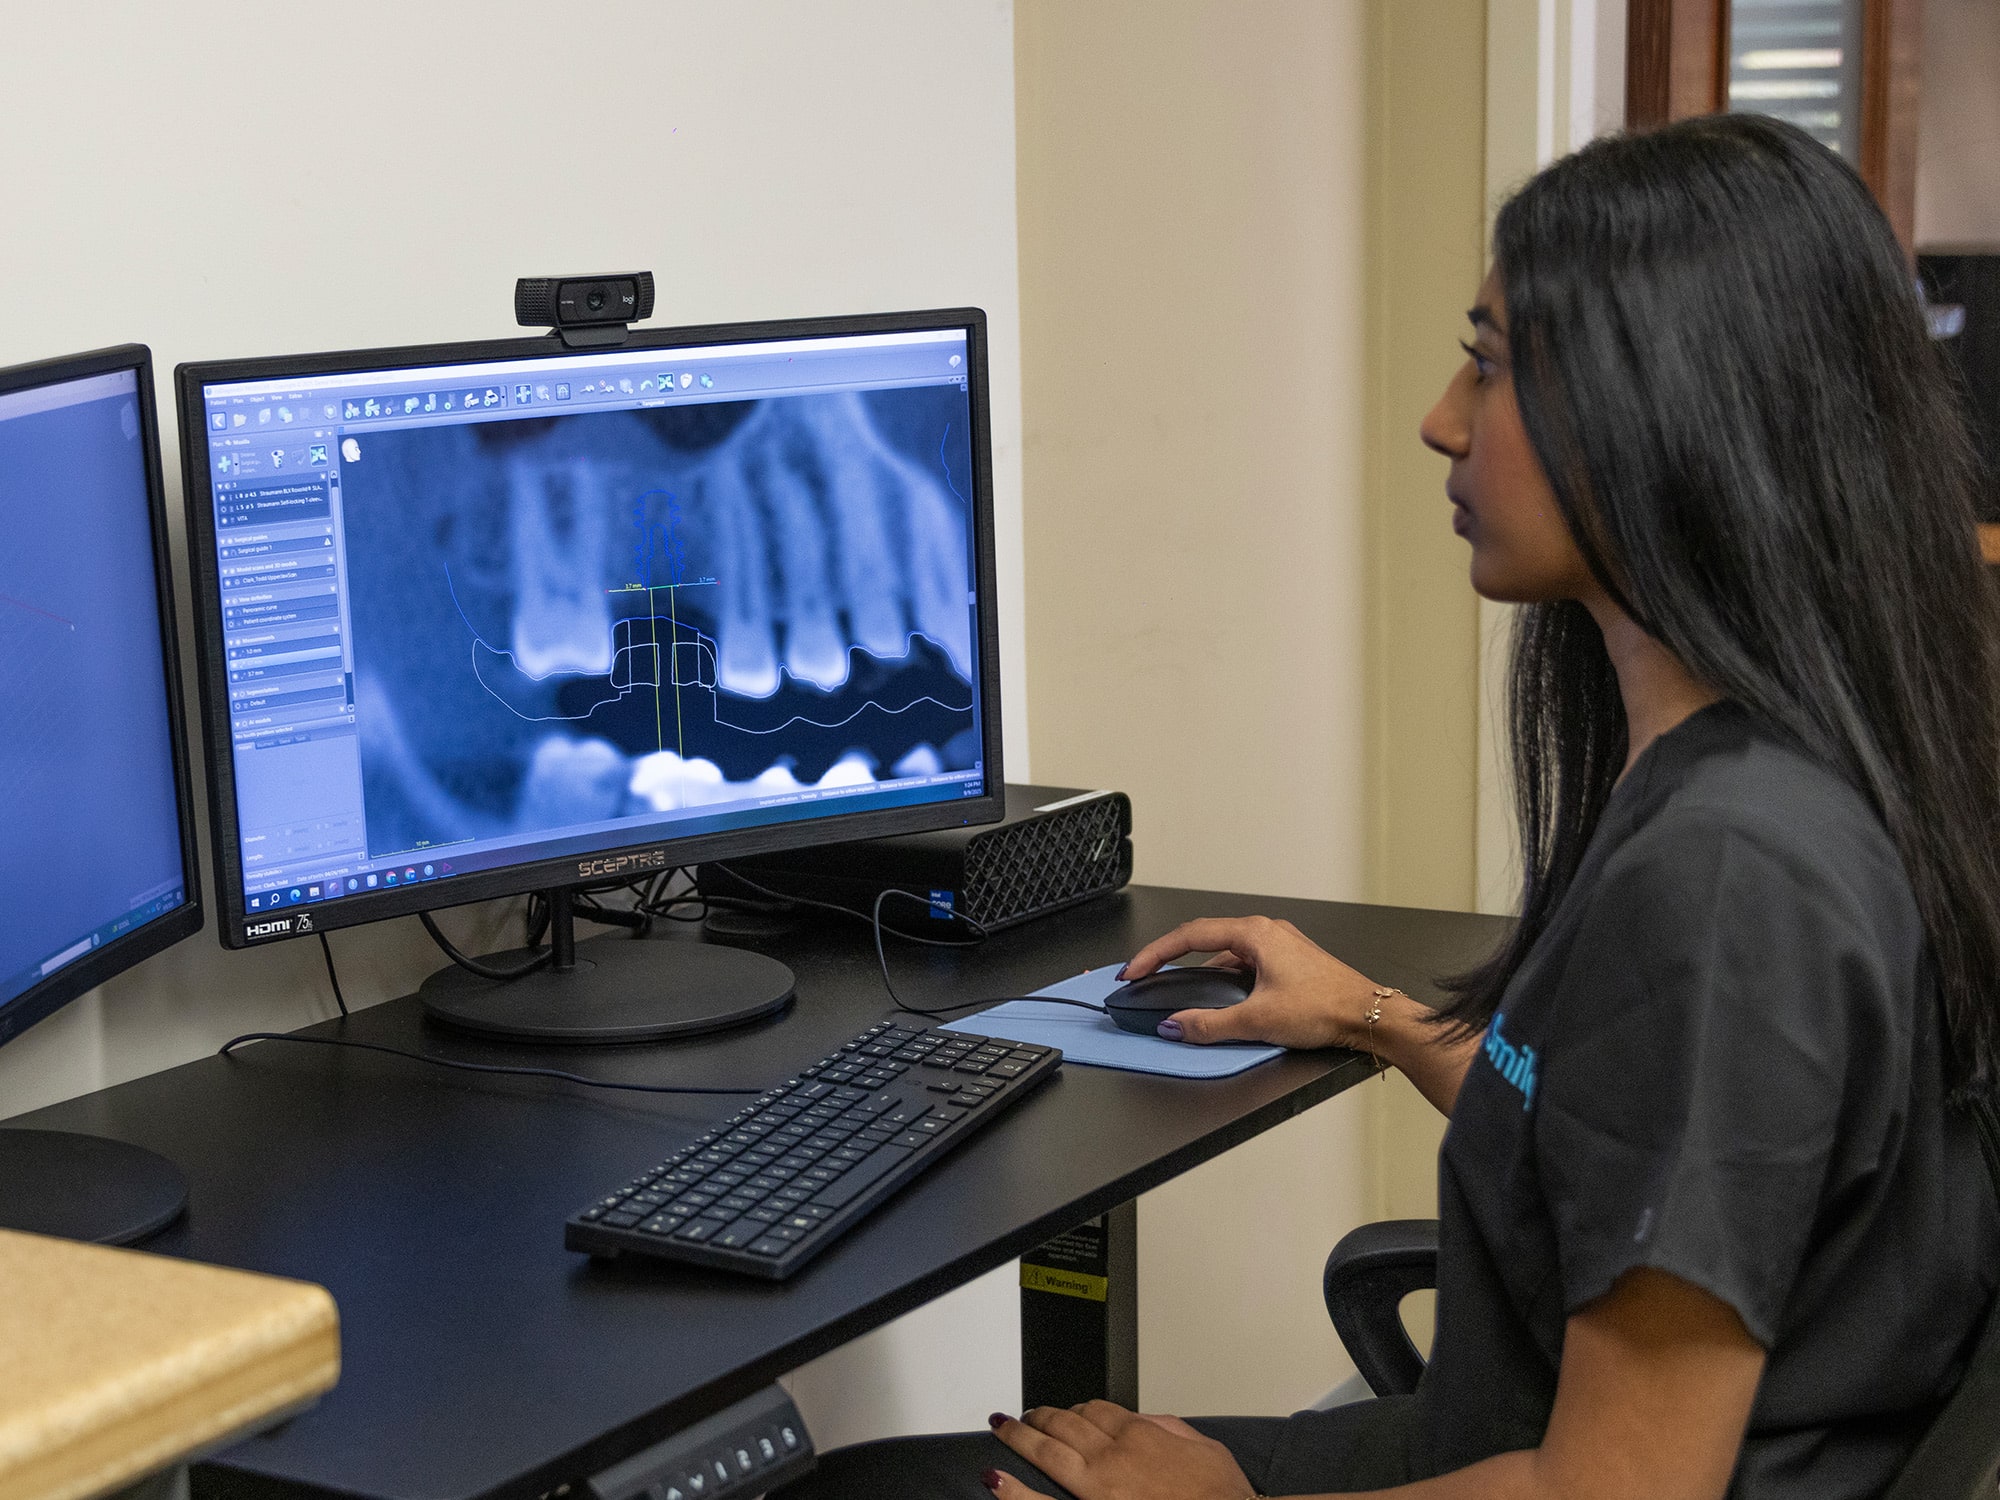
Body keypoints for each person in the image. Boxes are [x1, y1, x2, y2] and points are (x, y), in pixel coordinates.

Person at [774, 112, 2000, 1500]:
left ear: (1668, 409)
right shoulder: (1786, 774)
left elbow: (1622, 1491)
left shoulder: (1730, 881)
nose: (1441, 421)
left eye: (1489, 367)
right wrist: (1368, 1015)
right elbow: (1650, 1156)